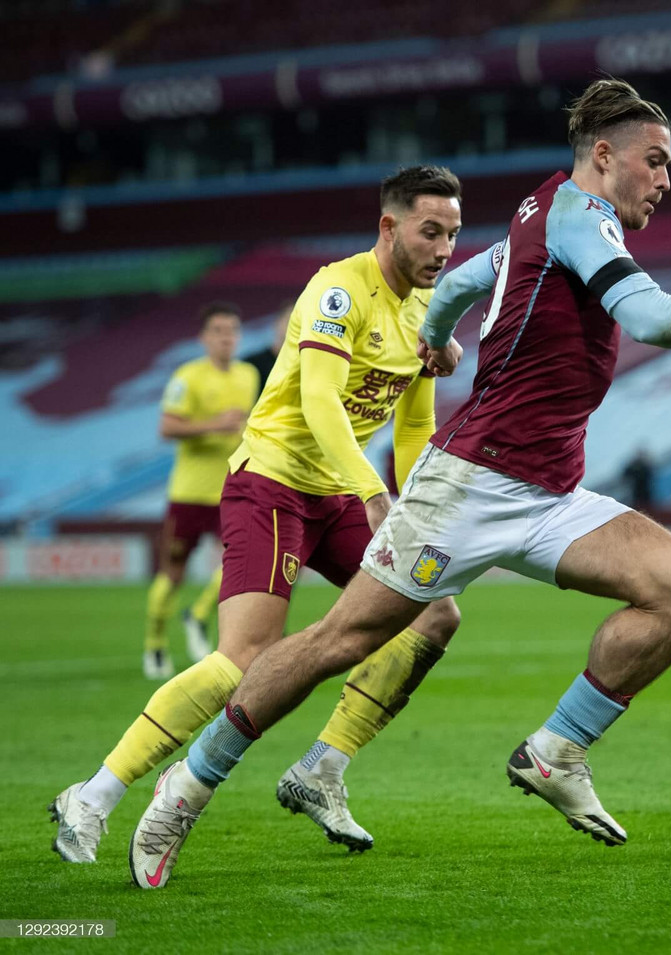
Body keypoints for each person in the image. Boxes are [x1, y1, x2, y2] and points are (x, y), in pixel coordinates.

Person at [126, 77, 671, 888]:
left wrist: (431, 336)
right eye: (655, 162)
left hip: (551, 492)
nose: (666, 181)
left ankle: (557, 750)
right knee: (337, 642)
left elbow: (463, 281)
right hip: (467, 487)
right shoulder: (578, 217)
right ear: (604, 156)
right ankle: (187, 786)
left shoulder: (541, 214)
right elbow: (649, 319)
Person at [49, 166, 465, 865]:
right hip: (271, 482)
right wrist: (373, 492)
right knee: (243, 659)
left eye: (453, 234)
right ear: (389, 226)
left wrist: (418, 499)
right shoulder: (339, 290)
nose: (445, 249)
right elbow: (320, 405)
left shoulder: (431, 311)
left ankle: (323, 769)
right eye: (431, 231)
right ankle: (94, 793)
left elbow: (415, 424)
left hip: (339, 492)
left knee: (434, 612)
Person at [142, 303, 259, 680]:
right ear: (204, 337)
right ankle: (155, 644)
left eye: (232, 331)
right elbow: (167, 427)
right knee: (173, 571)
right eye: (219, 331)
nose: (226, 338)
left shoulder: (248, 376)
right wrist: (214, 425)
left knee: (239, 560)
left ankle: (199, 614)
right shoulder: (187, 377)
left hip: (230, 489)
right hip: (189, 492)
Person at [243, 302, 292, 398]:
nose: (294, 328)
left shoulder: (307, 367)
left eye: (300, 324)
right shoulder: (251, 365)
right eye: (289, 321)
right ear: (276, 323)